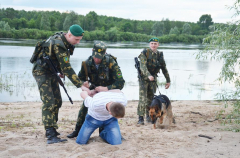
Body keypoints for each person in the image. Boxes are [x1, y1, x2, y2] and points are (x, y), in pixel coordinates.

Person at [32, 24, 85, 144]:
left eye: (79, 40)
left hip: (51, 71)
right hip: (41, 71)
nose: (77, 42)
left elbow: (61, 61)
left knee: (57, 101)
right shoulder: (58, 43)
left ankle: (52, 128)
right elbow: (67, 68)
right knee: (49, 102)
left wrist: (60, 72)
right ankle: (50, 133)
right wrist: (80, 84)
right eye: (76, 39)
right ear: (69, 34)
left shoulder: (66, 41)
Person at [67, 41, 125, 138]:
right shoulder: (86, 64)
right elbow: (80, 78)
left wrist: (106, 88)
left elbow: (120, 82)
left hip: (108, 93)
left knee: (110, 111)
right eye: (95, 56)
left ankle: (107, 132)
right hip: (94, 92)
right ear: (92, 51)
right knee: (84, 109)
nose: (97, 59)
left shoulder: (111, 62)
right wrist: (84, 84)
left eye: (100, 57)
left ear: (105, 53)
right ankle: (78, 130)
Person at [137, 37, 171, 125]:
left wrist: (168, 80)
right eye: (152, 43)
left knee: (151, 98)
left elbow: (164, 68)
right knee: (143, 98)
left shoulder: (159, 55)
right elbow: (142, 67)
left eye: (155, 44)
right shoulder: (145, 53)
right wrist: (148, 75)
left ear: (158, 45)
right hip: (143, 79)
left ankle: (149, 115)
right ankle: (140, 118)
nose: (153, 45)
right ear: (149, 44)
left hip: (153, 79)